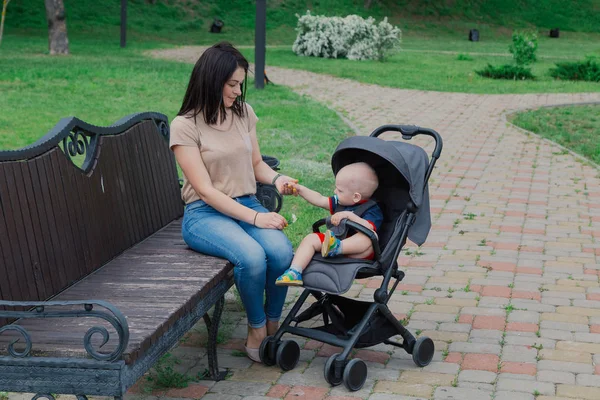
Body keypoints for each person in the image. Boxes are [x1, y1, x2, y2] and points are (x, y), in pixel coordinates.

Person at [169, 42, 297, 362]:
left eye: (240, 84)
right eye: (232, 84)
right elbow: (207, 191)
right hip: (204, 214)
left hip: (245, 203)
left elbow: (256, 164)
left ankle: (272, 323)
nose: (238, 92)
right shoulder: (185, 126)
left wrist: (277, 180)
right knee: (252, 258)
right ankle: (256, 329)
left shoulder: (243, 113)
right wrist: (257, 219)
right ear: (212, 80)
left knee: (281, 252)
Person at [275, 162, 383, 286]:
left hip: (358, 253)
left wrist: (349, 216)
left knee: (368, 237)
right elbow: (320, 199)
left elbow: (368, 228)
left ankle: (337, 247)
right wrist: (300, 189)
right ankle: (294, 272)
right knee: (310, 239)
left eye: (340, 190)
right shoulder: (341, 201)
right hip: (331, 243)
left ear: (356, 197)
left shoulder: (372, 210)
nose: (335, 191)